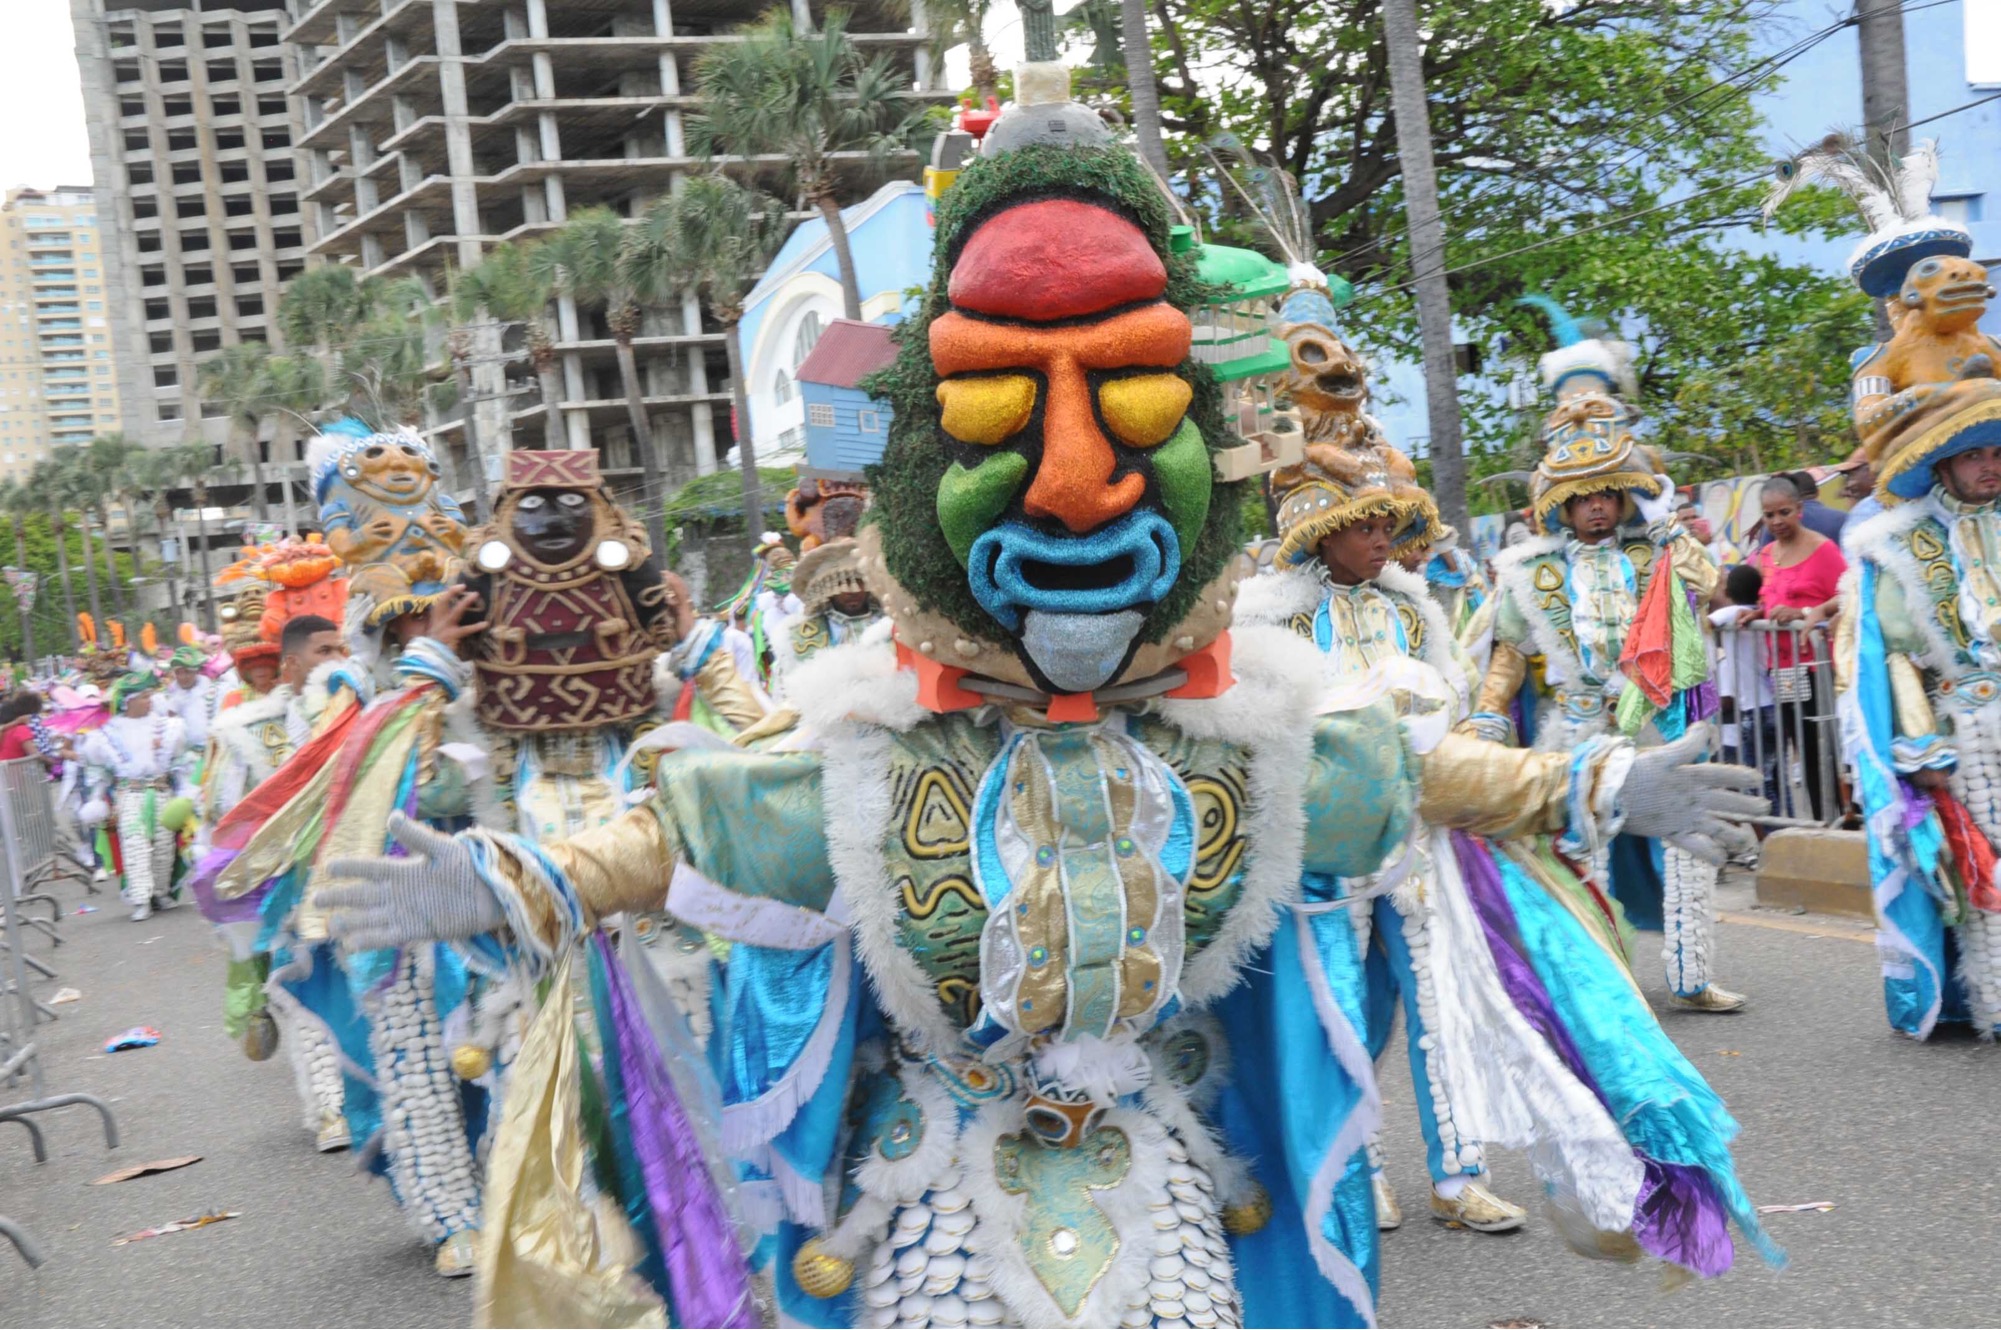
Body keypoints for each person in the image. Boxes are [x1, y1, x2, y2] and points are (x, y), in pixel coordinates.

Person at [315, 82, 1773, 1328]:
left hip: (1172, 1189)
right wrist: (505, 879)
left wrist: (1597, 785)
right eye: (996, 407)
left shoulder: (1255, 731)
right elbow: (679, 837)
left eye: (1132, 398)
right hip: (933, 1198)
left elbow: (1417, 768)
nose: (1074, 482)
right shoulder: (861, 740)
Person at [1239, 441, 1525, 1236]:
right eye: (1364, 527)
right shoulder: (1271, 620)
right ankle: (1360, 1173)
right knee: (1341, 1006)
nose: (1380, 541)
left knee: (1438, 999)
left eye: (1385, 527)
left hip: (1413, 836)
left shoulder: (1410, 611)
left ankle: (1458, 1175)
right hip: (1327, 845)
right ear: (1318, 532)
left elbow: (1446, 699)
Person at [1477, 296, 1743, 1012]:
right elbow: (1509, 650)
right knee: (1577, 849)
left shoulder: (1656, 551)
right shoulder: (1530, 570)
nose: (1596, 506)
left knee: (1687, 839)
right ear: (1560, 505)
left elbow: (1713, 586)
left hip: (1654, 715)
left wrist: (1667, 525)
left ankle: (1692, 975)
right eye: (1582, 497)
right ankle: (1600, 983)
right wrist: (1488, 714)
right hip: (1577, 724)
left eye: (1607, 494)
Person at [1753, 474, 1848, 822]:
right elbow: (1768, 600)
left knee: (1825, 749)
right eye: (1769, 515)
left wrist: (1806, 612)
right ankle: (1820, 823)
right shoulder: (1766, 554)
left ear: (1799, 510)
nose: (1776, 521)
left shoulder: (1824, 549)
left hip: (1818, 668)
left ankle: (1840, 823)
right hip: (1783, 671)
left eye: (1784, 512)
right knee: (1802, 748)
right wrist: (1755, 614)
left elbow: (1849, 593)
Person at [78, 671, 191, 921]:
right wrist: (96, 799)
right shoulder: (107, 733)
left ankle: (160, 893)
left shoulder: (167, 727)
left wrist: (185, 789)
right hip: (129, 795)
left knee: (163, 845)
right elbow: (100, 772)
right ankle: (140, 899)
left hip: (161, 791)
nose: (149, 701)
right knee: (135, 844)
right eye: (143, 697)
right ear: (128, 702)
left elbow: (180, 762)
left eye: (150, 696)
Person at [1710, 564, 1777, 810]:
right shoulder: (1759, 613)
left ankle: (1774, 828)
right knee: (1773, 778)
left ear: (1728, 592)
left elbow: (1703, 624)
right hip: (1770, 704)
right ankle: (1785, 822)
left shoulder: (1732, 613)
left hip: (1754, 710)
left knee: (1756, 782)